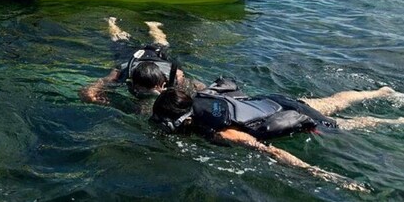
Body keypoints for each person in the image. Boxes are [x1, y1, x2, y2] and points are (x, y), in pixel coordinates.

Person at [151, 79, 403, 191]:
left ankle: (395, 121)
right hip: (272, 101)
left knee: (341, 125)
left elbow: (271, 151)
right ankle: (381, 92)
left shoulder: (225, 132)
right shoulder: (200, 97)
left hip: (284, 114)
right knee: (333, 102)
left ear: (184, 120)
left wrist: (321, 174)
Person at [79, 18, 203, 106]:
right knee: (119, 40)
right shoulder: (124, 74)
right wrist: (90, 95)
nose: (152, 91)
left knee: (161, 43)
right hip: (132, 59)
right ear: (135, 84)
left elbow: (193, 83)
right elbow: (100, 83)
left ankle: (153, 25)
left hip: (157, 58)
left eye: (155, 87)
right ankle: (111, 22)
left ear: (161, 82)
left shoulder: (173, 77)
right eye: (145, 89)